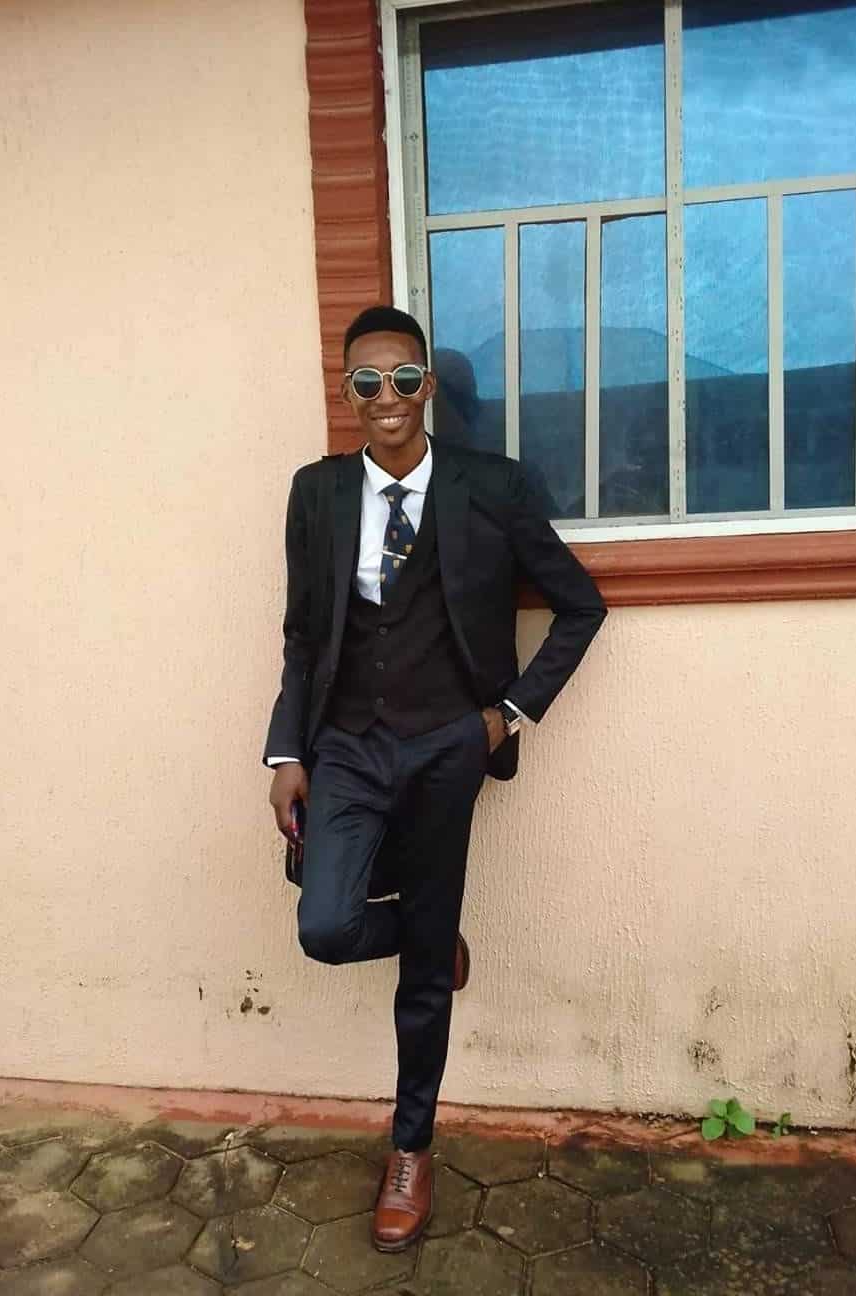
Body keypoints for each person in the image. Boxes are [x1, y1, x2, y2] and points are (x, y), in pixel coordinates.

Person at [263, 305, 607, 1252]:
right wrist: (286, 753)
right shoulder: (316, 493)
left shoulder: (491, 486)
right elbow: (303, 634)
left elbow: (579, 606)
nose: (388, 397)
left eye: (405, 378)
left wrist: (506, 714)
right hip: (345, 746)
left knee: (420, 981)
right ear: (348, 393)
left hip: (447, 747)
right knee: (326, 928)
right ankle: (428, 933)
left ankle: (411, 1150)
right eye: (367, 381)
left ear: (430, 388)